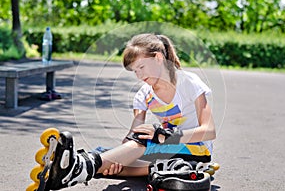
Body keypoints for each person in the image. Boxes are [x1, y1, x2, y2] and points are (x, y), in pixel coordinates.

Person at [45, 33, 216, 190]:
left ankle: (79, 167)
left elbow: (209, 131)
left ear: (158, 58)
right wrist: (120, 156)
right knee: (110, 160)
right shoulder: (144, 94)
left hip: (197, 148)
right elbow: (132, 135)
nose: (139, 76)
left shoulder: (188, 82)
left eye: (141, 67)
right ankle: (75, 170)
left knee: (138, 144)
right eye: (135, 71)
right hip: (165, 148)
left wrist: (165, 136)